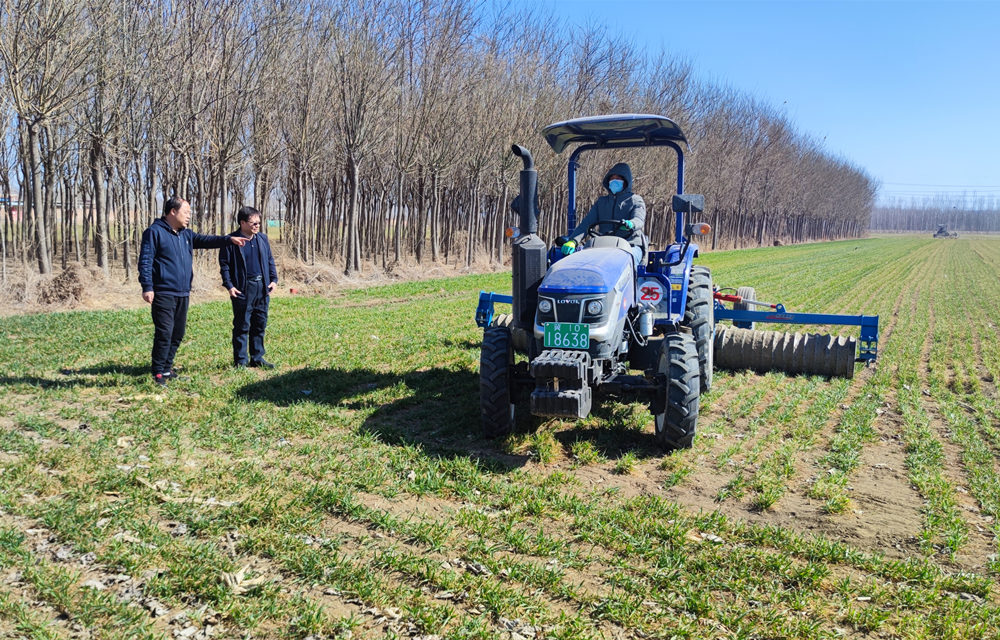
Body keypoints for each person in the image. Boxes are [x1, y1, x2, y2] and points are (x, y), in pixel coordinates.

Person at [138, 196, 247, 386]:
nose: (189, 216)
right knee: (165, 332)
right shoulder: (154, 232)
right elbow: (145, 261)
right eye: (186, 212)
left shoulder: (185, 235)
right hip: (163, 292)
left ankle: (166, 368)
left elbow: (206, 240)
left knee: (178, 332)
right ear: (173, 211)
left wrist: (229, 240)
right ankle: (157, 373)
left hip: (183, 292)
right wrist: (147, 286)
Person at [219, 206, 278, 369]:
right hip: (242, 288)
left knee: (260, 323)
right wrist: (229, 286)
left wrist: (274, 279)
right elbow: (224, 266)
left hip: (262, 287)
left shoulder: (262, 239)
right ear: (242, 223)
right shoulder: (231, 240)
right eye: (253, 223)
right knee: (242, 325)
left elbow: (270, 260)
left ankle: (257, 358)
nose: (257, 225)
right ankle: (241, 361)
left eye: (259, 222)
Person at [560, 162, 647, 266]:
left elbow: (639, 219)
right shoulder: (601, 202)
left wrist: (631, 224)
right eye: (612, 178)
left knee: (624, 263)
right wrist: (573, 241)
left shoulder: (635, 200)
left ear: (625, 181)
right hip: (604, 245)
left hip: (630, 245)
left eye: (618, 178)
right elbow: (586, 223)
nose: (614, 181)